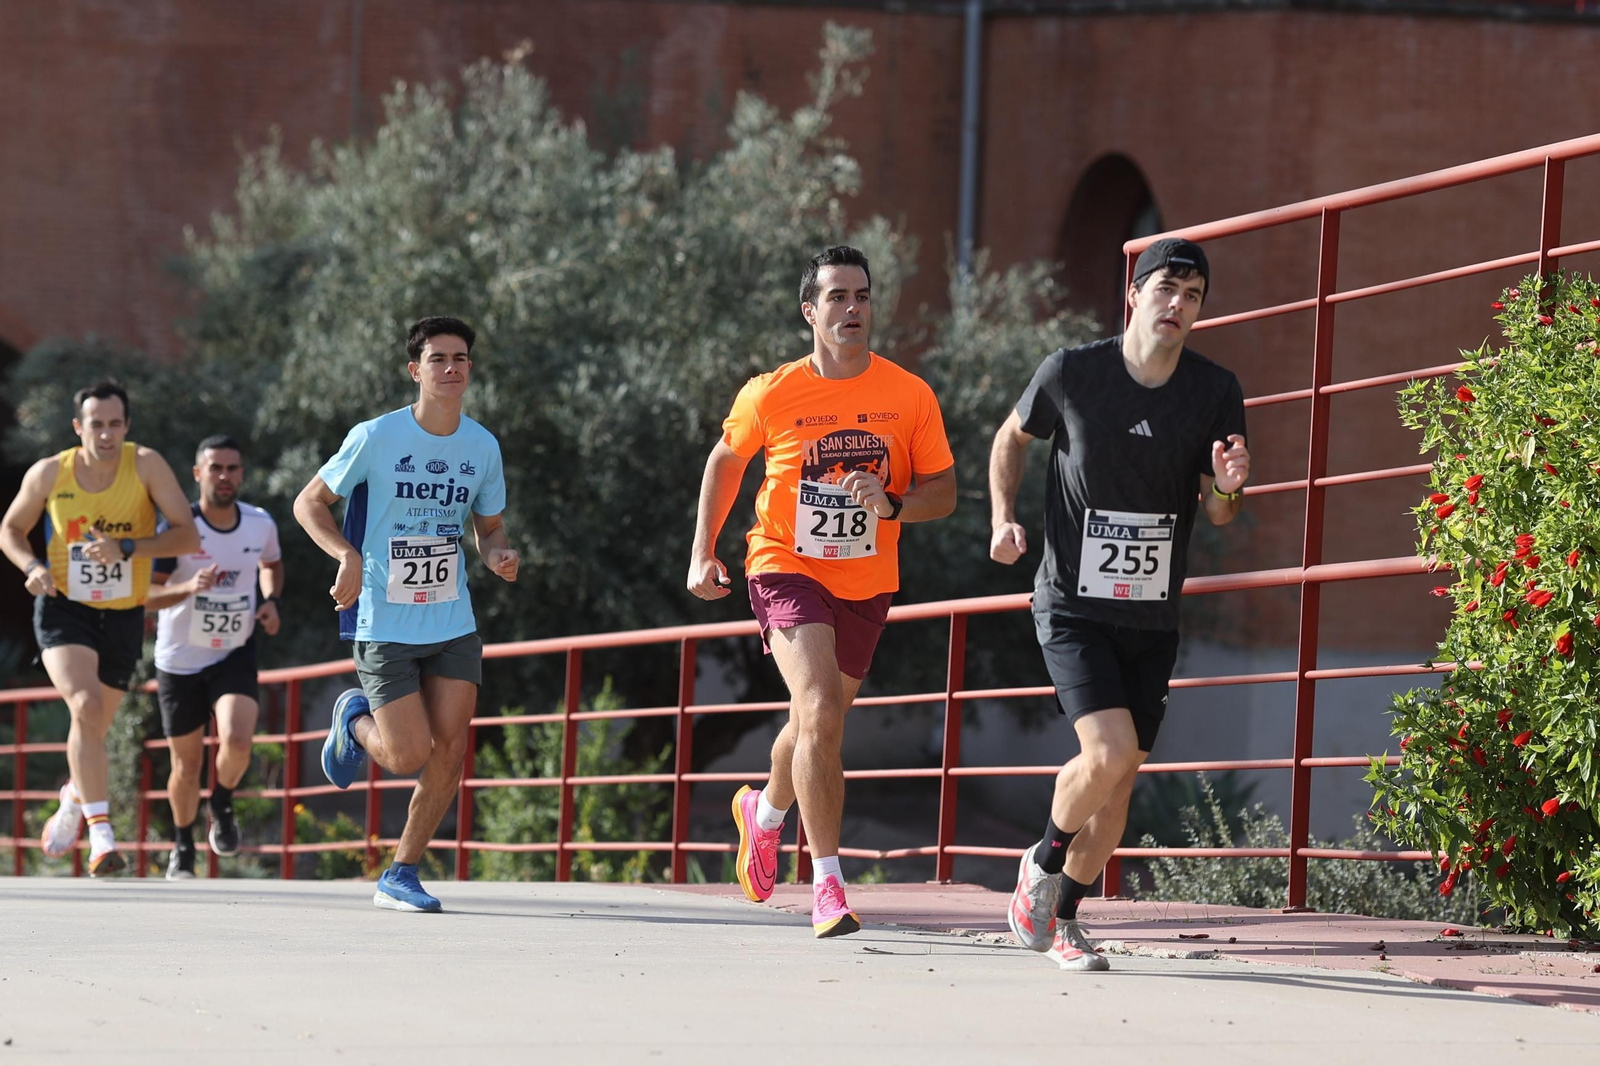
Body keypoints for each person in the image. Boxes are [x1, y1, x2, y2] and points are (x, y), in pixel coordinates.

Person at [989, 237, 1250, 971]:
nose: (1178, 305)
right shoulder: (1073, 372)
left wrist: (1229, 487)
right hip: (1073, 604)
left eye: (1193, 296)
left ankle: (1064, 919)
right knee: (1103, 753)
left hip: (1152, 616)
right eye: (1166, 289)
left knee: (1118, 785)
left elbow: (1219, 510)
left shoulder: (1214, 390)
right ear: (1133, 294)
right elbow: (1011, 438)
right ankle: (1040, 867)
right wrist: (1002, 518)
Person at [688, 246, 957, 938]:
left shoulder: (909, 394)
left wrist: (892, 504)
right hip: (783, 564)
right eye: (837, 297)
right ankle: (828, 885)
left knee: (820, 721)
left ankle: (763, 815)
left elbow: (944, 493)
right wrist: (702, 551)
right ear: (810, 311)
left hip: (866, 580)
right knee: (816, 709)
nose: (852, 309)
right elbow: (726, 460)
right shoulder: (771, 392)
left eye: (862, 296)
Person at [294, 316, 518, 912]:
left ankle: (401, 873)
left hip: (452, 621)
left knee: (451, 750)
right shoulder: (375, 437)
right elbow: (308, 502)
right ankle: (354, 720)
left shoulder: (482, 447)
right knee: (407, 755)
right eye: (438, 359)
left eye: (460, 359)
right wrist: (345, 554)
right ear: (416, 370)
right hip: (383, 621)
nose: (451, 368)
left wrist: (499, 556)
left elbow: (489, 528)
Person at [0, 382, 200, 875]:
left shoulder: (146, 466)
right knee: (86, 706)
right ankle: (102, 838)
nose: (106, 434)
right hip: (64, 608)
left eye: (115, 424)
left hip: (124, 613)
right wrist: (31, 566)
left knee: (94, 725)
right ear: (78, 427)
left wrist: (127, 548)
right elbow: (10, 529)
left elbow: (186, 535)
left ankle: (74, 795)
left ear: (126, 426)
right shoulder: (50, 472)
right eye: (96, 425)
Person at [147, 435, 284, 879]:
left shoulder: (259, 523)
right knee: (186, 765)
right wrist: (190, 587)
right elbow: (146, 596)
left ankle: (221, 803)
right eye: (216, 468)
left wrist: (270, 601)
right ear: (198, 474)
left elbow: (270, 564)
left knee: (238, 741)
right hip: (180, 661)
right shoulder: (178, 529)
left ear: (241, 474)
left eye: (232, 468)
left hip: (234, 651)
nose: (225, 476)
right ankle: (183, 846)